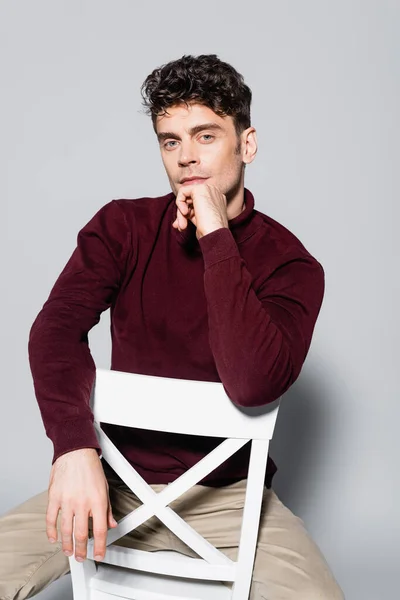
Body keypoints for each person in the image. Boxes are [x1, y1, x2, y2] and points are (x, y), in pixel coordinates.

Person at [0, 54, 344, 600]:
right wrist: (73, 448)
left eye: (205, 136)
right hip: (110, 485)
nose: (187, 158)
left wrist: (214, 236)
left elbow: (252, 383)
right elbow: (55, 330)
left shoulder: (292, 266)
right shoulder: (122, 226)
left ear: (246, 145)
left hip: (233, 500)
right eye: (170, 141)